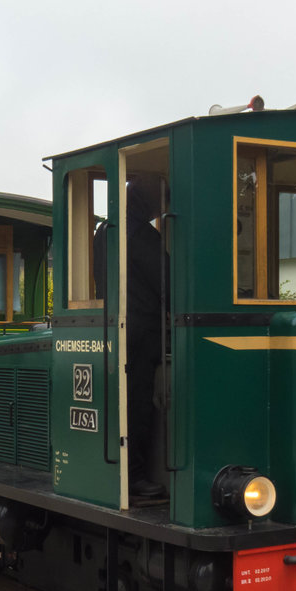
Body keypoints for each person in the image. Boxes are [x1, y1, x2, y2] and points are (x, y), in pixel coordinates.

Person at [122, 174, 168, 500]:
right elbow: (168, 282)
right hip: (141, 331)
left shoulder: (104, 233)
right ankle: (136, 476)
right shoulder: (141, 235)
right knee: (139, 401)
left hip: (120, 325)